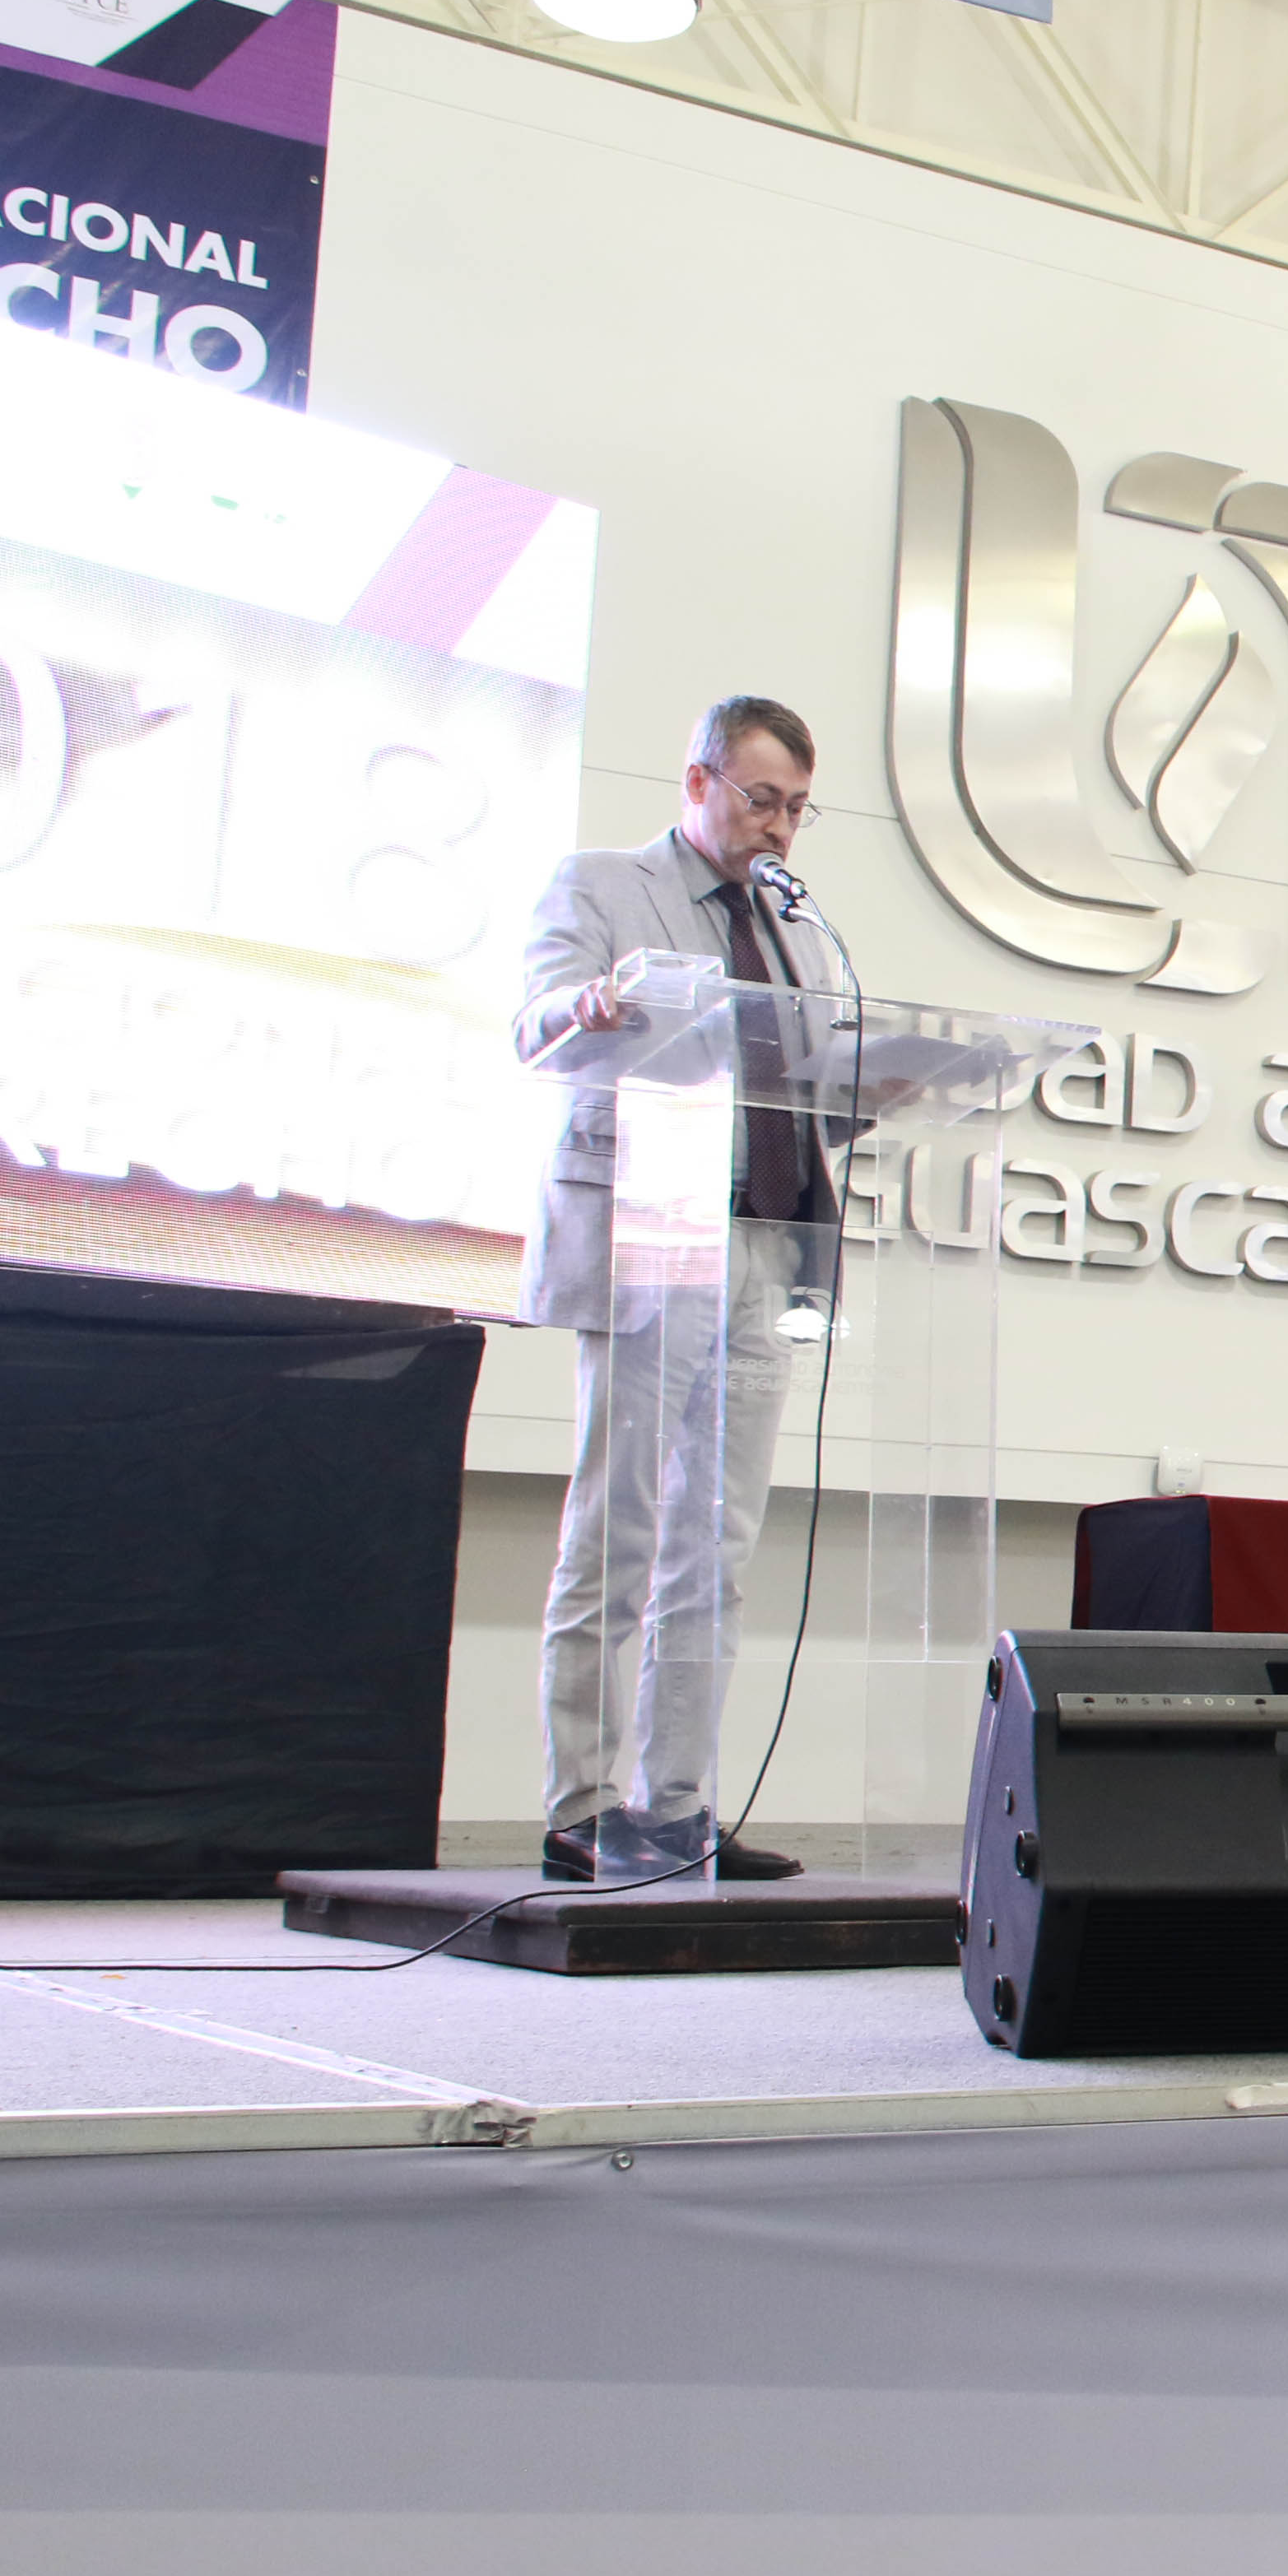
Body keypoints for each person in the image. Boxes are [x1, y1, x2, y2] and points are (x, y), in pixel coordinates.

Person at [510, 695, 844, 1885]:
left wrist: (874, 1088)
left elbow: (812, 1084)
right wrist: (586, 1004)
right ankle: (583, 1803)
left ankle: (680, 1808)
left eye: (797, 808)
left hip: (767, 1247)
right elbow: (535, 1026)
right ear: (699, 781)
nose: (780, 828)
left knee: (719, 1547)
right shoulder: (604, 884)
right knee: (621, 1529)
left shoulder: (797, 935)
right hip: (654, 1229)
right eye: (762, 800)